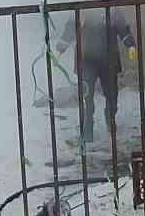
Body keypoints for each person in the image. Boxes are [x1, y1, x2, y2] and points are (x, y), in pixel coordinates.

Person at [54, 11, 137, 143]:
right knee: (87, 98)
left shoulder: (111, 7)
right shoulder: (80, 9)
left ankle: (110, 119)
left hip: (108, 59)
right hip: (86, 60)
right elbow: (70, 28)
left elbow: (122, 26)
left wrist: (130, 44)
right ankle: (88, 129)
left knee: (112, 95)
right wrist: (60, 49)